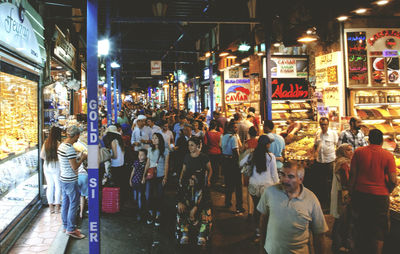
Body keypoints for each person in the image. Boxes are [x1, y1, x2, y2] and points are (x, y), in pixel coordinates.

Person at [257, 161, 328, 254]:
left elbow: (319, 235)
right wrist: (262, 248)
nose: (284, 180)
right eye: (282, 174)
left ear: (300, 179)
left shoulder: (311, 200)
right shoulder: (269, 192)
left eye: (290, 176)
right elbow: (263, 221)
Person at [350, 129, 398, 254]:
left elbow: (352, 175)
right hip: (380, 197)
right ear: (381, 141)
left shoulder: (358, 152)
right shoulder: (388, 155)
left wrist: (351, 192)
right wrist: (389, 190)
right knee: (379, 228)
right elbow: (393, 179)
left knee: (361, 224)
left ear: (369, 139)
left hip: (361, 194)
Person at [247, 135, 279, 238]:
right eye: (269, 143)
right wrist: (278, 185)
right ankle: (265, 231)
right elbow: (274, 174)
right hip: (266, 187)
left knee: (257, 208)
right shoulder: (270, 157)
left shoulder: (252, 155)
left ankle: (257, 230)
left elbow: (244, 166)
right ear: (267, 145)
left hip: (254, 186)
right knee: (265, 211)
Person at [58, 125, 87, 239]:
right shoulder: (69, 148)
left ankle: (66, 226)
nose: (77, 140)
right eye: (77, 137)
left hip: (63, 179)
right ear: (74, 135)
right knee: (74, 204)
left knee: (65, 203)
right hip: (70, 180)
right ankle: (71, 229)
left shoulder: (61, 146)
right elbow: (74, 167)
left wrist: (77, 157)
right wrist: (82, 158)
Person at [176, 173, 212, 246]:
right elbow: (177, 197)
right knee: (179, 207)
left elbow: (208, 202)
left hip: (198, 214)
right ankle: (184, 233)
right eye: (190, 179)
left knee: (207, 211)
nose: (191, 181)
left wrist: (196, 208)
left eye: (193, 179)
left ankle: (202, 235)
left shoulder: (203, 190)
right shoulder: (184, 188)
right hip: (187, 213)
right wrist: (179, 202)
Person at [142, 133, 169, 226]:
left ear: (160, 139)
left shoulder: (165, 150)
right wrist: (144, 175)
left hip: (160, 175)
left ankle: (158, 215)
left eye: (156, 138)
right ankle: (150, 213)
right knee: (148, 195)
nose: (154, 140)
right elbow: (148, 163)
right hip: (150, 175)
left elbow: (166, 164)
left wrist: (165, 176)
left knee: (159, 196)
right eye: (152, 138)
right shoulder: (150, 150)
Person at [330, 144, 353, 253]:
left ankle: (336, 242)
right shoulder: (343, 164)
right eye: (348, 150)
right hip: (342, 194)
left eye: (351, 149)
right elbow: (345, 182)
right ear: (342, 151)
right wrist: (347, 196)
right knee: (343, 219)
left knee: (338, 219)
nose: (351, 152)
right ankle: (340, 244)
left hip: (338, 193)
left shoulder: (338, 161)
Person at [313, 117, 338, 210]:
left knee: (330, 182)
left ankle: (329, 203)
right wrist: (314, 155)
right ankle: (323, 203)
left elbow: (337, 145)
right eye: (322, 124)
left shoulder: (333, 134)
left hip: (330, 161)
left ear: (328, 124)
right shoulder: (318, 134)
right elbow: (315, 145)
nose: (323, 126)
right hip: (320, 161)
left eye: (325, 124)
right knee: (321, 182)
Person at [221, 120, 244, 214]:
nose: (236, 129)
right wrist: (239, 163)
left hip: (225, 161)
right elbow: (235, 151)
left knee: (228, 183)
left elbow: (221, 147)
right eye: (235, 127)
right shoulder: (233, 138)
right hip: (233, 162)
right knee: (238, 185)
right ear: (231, 128)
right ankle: (239, 206)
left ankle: (227, 202)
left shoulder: (223, 136)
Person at [40, 126, 62, 214]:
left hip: (47, 166)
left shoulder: (46, 143)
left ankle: (50, 208)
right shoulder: (58, 143)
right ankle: (57, 207)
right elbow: (60, 156)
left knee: (50, 186)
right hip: (56, 165)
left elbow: (42, 155)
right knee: (58, 186)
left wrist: (47, 158)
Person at [104, 125, 127, 204]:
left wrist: (108, 156)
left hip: (115, 164)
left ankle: (116, 202)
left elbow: (115, 155)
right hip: (121, 163)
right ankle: (121, 201)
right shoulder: (120, 140)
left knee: (116, 184)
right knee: (121, 183)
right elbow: (122, 153)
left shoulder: (113, 141)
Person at [129, 149, 147, 221]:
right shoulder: (136, 162)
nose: (140, 156)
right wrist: (130, 179)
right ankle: (136, 210)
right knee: (135, 197)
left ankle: (139, 212)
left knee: (139, 197)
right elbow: (133, 171)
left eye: (142, 155)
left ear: (145, 156)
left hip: (140, 182)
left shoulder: (146, 163)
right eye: (139, 155)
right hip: (134, 181)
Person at [204, 120, 222, 185]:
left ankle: (210, 179)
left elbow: (205, 143)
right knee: (216, 166)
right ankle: (215, 180)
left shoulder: (207, 133)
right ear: (216, 126)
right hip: (217, 152)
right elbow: (220, 144)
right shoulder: (219, 134)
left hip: (210, 152)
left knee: (210, 166)